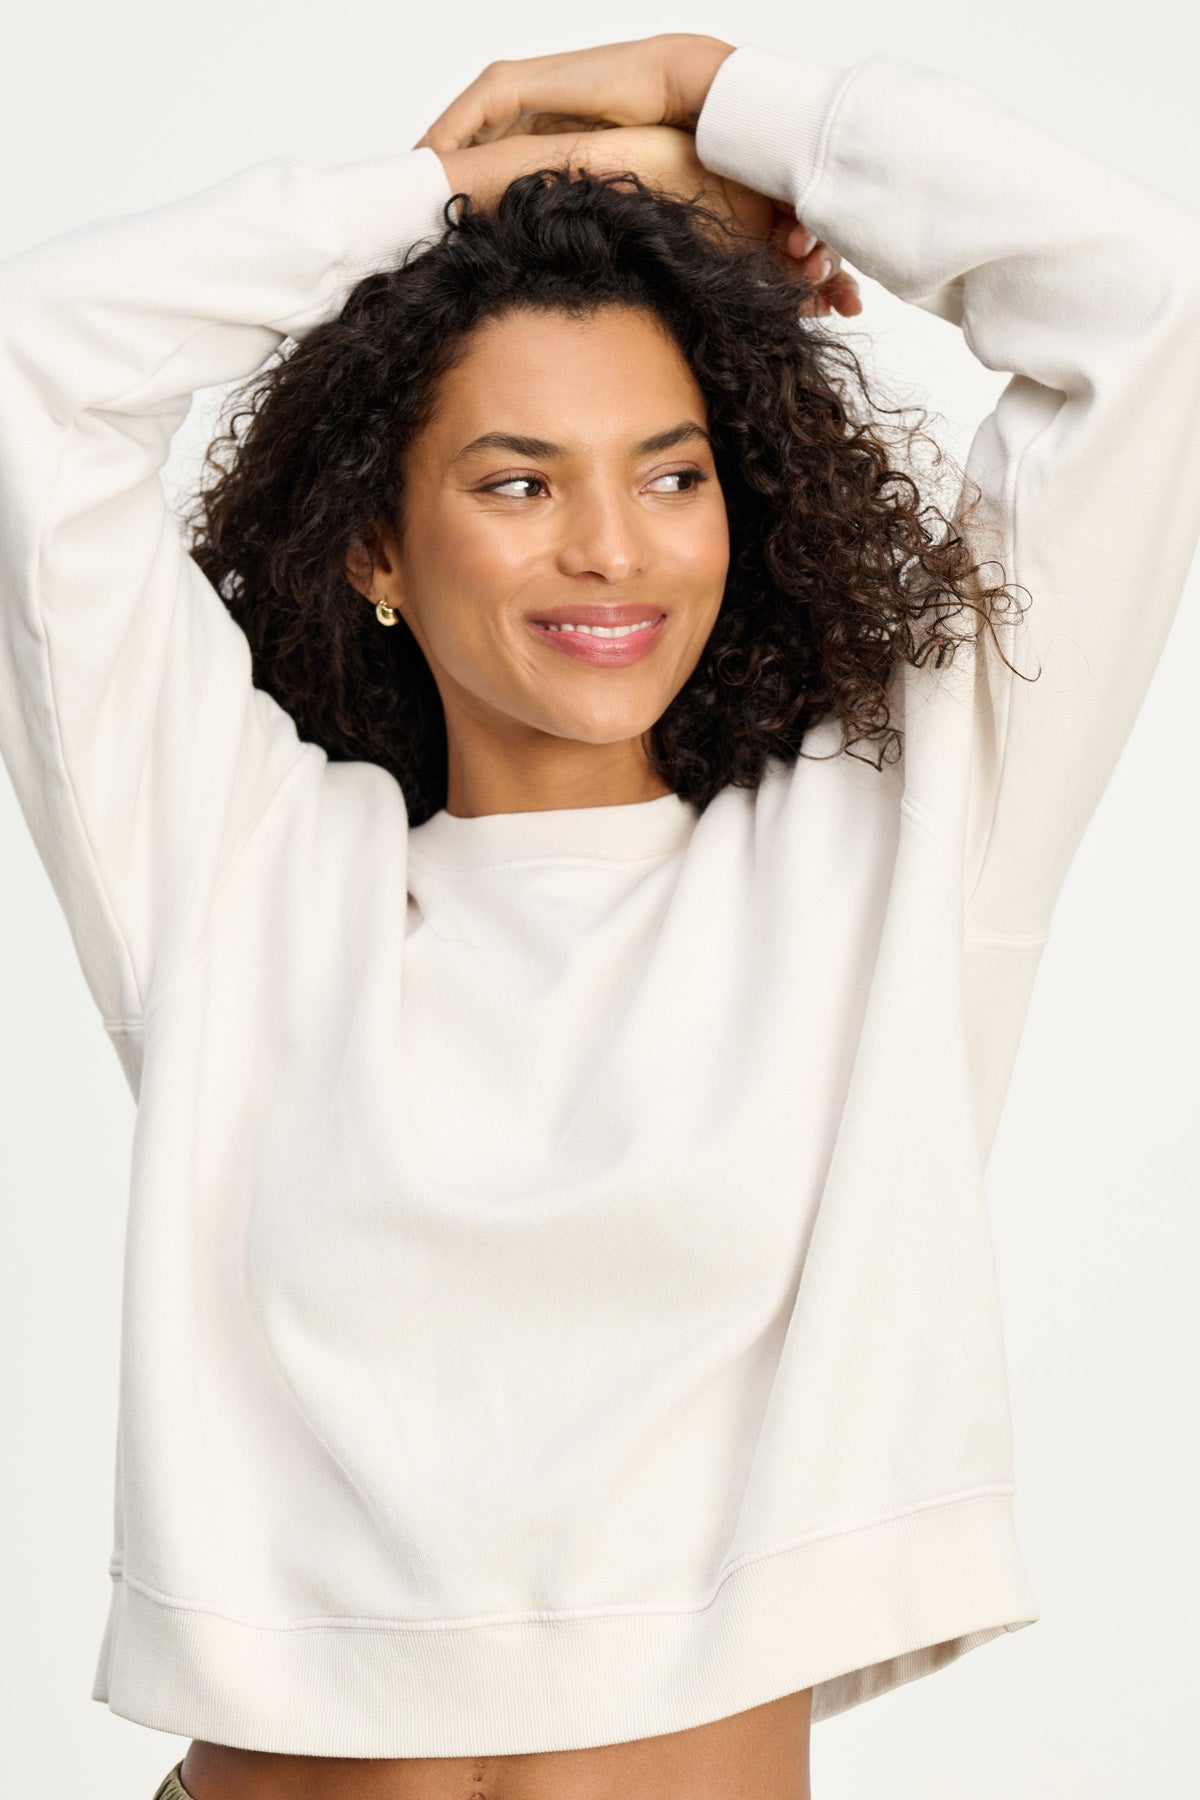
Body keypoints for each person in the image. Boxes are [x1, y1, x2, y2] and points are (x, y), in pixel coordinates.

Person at [2, 28, 1197, 1800]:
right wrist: (452, 202)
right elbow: (31, 363)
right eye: (514, 480)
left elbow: (1141, 305)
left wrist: (722, 93)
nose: (613, 550)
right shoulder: (243, 867)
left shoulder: (888, 846)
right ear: (375, 549)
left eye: (670, 470)